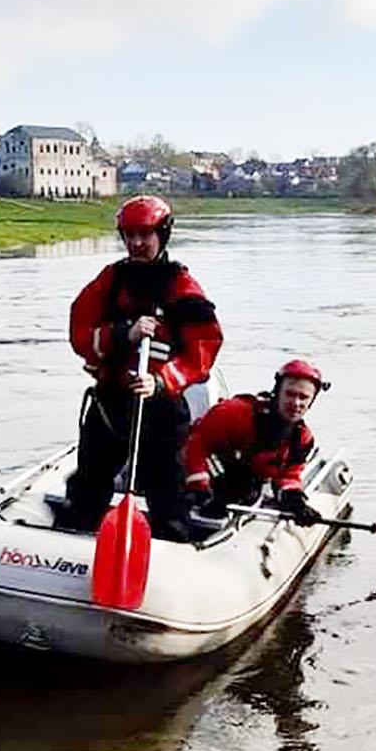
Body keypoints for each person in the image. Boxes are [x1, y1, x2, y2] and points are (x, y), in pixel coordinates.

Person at [63, 195, 223, 542]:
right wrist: (124, 333)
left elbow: (204, 349)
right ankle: (75, 541)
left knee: (166, 491)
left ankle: (172, 546)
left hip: (161, 409)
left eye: (145, 235)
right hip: (110, 404)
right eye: (129, 235)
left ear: (162, 235)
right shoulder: (110, 280)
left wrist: (161, 381)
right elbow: (79, 332)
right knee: (89, 484)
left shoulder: (182, 288)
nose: (136, 243)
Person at [184, 359, 329, 526]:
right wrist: (200, 488)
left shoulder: (301, 439)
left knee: (245, 485)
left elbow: (289, 475)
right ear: (278, 391)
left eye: (303, 397)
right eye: (290, 394)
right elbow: (196, 446)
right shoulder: (235, 413)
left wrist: (295, 501)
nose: (296, 403)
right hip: (200, 477)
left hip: (245, 488)